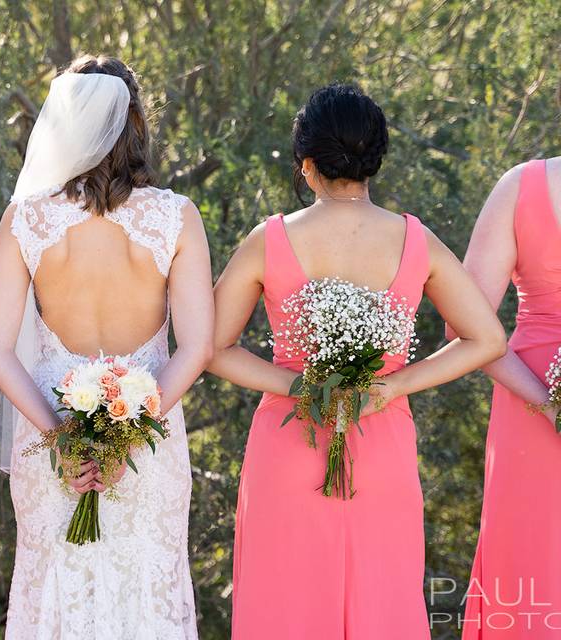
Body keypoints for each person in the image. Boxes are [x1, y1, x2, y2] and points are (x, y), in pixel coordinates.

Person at [209, 82, 506, 639]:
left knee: (285, 606)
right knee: (380, 602)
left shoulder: (268, 240)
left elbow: (211, 348)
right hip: (382, 442)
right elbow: (487, 338)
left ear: (306, 164)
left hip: (288, 440)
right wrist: (394, 388)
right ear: (375, 160)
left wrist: (297, 385)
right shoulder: (415, 240)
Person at [0, 54, 213, 639]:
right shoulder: (177, 217)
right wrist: (132, 429)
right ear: (135, 124)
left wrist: (60, 433)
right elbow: (198, 347)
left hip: (49, 437)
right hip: (150, 441)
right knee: (146, 587)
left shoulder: (25, 220)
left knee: (57, 585)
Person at [454, 156, 561, 639]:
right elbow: (464, 325)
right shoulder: (521, 186)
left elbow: (467, 327)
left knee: (531, 581)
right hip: (531, 424)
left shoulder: (522, 186)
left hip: (531, 405)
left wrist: (548, 402)